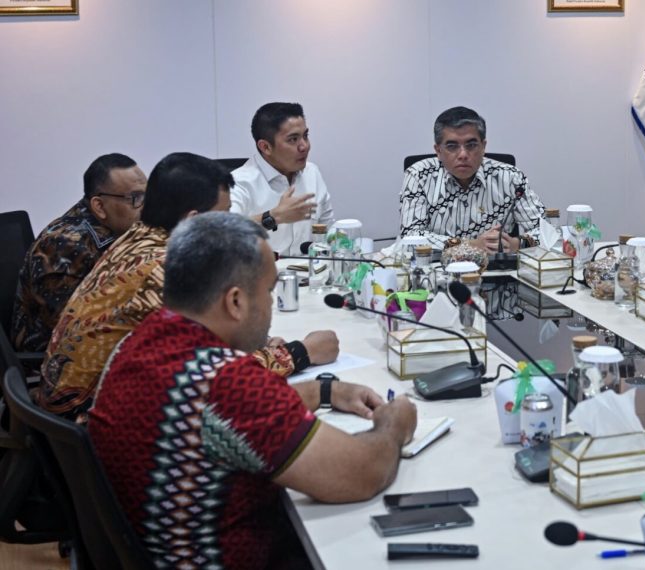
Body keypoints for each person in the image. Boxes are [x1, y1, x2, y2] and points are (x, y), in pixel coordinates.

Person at [89, 212, 417, 569]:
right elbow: (361, 473)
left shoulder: (136, 343)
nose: (271, 305)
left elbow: (221, 419)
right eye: (269, 290)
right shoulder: (226, 384)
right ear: (235, 302)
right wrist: (395, 424)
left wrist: (323, 392)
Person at [38, 152, 338, 421]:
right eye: (224, 215)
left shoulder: (141, 237)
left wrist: (258, 344)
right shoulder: (163, 271)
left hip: (77, 407)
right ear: (193, 221)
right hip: (91, 423)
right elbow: (215, 377)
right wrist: (301, 353)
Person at [9, 153, 146, 354]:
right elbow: (72, 330)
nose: (146, 206)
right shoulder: (63, 246)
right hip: (54, 362)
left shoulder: (119, 230)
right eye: (136, 198)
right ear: (99, 206)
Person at [399, 106, 545, 252]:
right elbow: (410, 237)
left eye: (471, 145)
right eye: (452, 146)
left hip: (495, 270)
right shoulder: (419, 175)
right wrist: (471, 245)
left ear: (483, 146)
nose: (463, 154)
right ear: (438, 151)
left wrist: (517, 244)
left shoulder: (511, 178)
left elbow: (547, 232)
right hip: (436, 270)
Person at [230, 102, 334, 255]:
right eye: (293, 139)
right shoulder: (238, 183)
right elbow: (223, 235)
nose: (304, 146)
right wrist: (273, 217)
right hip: (261, 276)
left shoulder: (312, 173)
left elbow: (328, 231)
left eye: (305, 136)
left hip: (312, 275)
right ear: (265, 147)